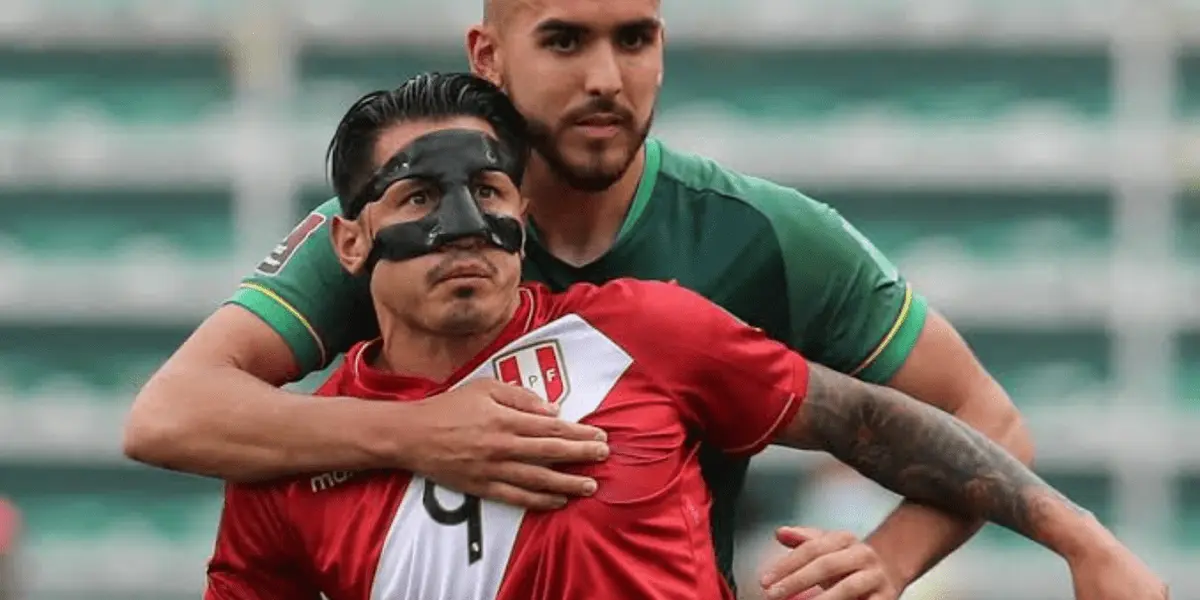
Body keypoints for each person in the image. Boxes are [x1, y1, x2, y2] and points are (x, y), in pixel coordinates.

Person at [124, 0, 1035, 596]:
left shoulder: (757, 231)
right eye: (565, 39)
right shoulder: (379, 229)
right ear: (488, 54)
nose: (605, 77)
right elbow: (170, 415)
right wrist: (420, 434)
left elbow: (988, 419)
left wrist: (891, 558)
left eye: (633, 39)